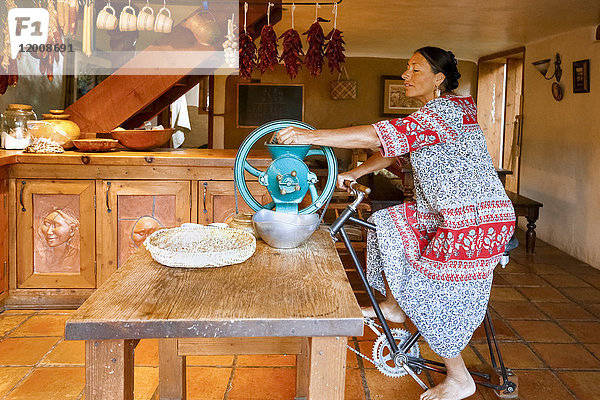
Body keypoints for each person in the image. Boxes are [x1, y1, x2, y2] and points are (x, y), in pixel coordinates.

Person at [277, 47, 516, 400]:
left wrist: (309, 136)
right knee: (387, 221)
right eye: (406, 69)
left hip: (475, 221)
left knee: (432, 292)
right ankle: (394, 305)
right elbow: (392, 149)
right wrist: (355, 172)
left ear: (438, 78)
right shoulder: (434, 113)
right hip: (445, 215)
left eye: (415, 69)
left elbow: (377, 136)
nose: (406, 75)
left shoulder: (447, 112)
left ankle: (459, 377)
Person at [36, 208, 80, 273]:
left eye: (56, 225)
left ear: (72, 230)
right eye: (46, 224)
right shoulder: (37, 256)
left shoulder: (79, 257)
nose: (49, 232)